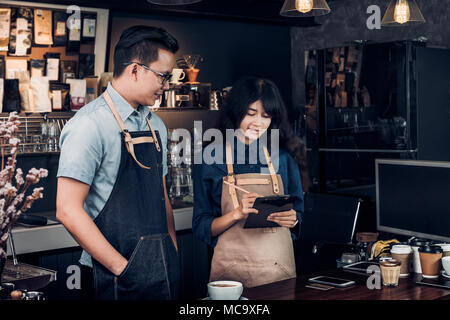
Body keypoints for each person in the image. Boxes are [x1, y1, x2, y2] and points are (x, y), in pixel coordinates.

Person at [56, 25, 180, 300]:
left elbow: (162, 196)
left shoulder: (155, 125)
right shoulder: (89, 125)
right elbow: (67, 210)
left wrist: (172, 250)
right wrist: (123, 269)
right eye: (163, 76)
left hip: (161, 270)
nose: (167, 85)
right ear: (135, 69)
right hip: (111, 276)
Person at [192, 76, 309, 288]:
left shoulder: (283, 160)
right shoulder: (209, 159)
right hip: (230, 276)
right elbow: (201, 226)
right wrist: (236, 214)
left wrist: (293, 220)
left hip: (278, 272)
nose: (258, 123)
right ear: (236, 112)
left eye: (266, 116)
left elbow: (299, 216)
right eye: (251, 113)